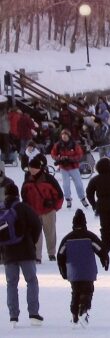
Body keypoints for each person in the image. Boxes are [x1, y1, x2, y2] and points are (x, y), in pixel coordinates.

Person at [56, 209, 109, 328]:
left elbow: (60, 255)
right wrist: (105, 260)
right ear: (85, 223)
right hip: (87, 270)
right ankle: (83, 310)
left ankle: (74, 315)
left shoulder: (67, 238)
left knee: (75, 292)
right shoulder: (90, 236)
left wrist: (63, 271)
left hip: (73, 271)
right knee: (87, 291)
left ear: (73, 224)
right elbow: (101, 250)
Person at [1, 184, 44, 328]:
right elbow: (37, 225)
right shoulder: (24, 208)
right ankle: (33, 313)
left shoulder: (2, 209)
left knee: (11, 284)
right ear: (17, 194)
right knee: (31, 281)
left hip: (9, 252)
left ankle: (13, 316)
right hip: (26, 250)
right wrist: (32, 241)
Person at [20, 156, 64, 263]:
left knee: (50, 233)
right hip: (33, 212)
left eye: (33, 168)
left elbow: (59, 195)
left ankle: (51, 253)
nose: (31, 170)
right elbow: (24, 196)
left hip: (48, 211)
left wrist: (53, 207)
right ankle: (37, 256)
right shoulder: (27, 181)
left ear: (38, 168)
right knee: (36, 234)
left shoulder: (49, 179)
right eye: (30, 168)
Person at [85, 157, 110, 255]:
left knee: (105, 226)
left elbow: (89, 192)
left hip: (102, 205)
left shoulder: (95, 179)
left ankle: (105, 246)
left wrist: (94, 204)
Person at [51, 129, 87, 209]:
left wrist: (70, 159)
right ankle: (68, 199)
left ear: (68, 136)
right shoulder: (58, 144)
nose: (64, 137)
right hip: (63, 168)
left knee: (79, 184)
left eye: (65, 135)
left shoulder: (74, 144)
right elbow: (53, 153)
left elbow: (80, 154)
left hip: (73, 167)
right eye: (63, 135)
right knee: (66, 185)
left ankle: (82, 198)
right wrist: (59, 159)